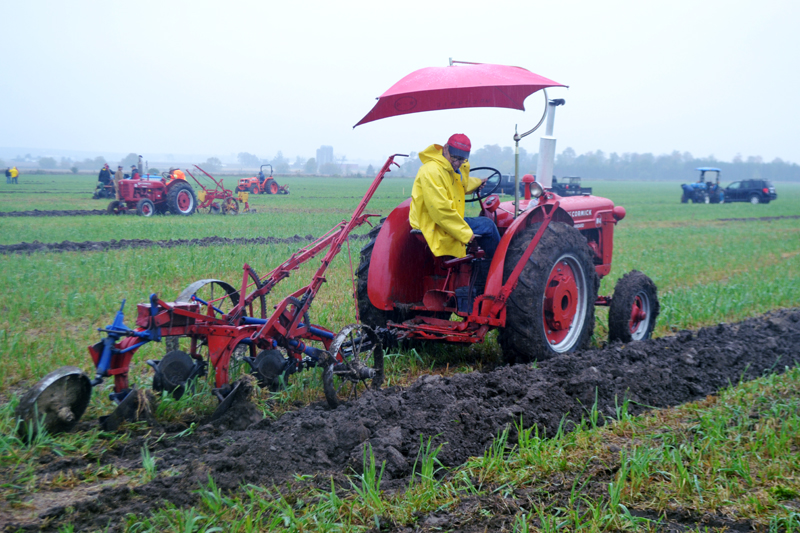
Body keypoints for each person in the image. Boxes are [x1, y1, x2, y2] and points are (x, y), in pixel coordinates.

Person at [409, 134, 500, 260]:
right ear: (446, 148)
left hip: (440, 220)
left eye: (461, 160)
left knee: (483, 225)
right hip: (433, 223)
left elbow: (458, 184)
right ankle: (500, 268)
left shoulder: (448, 168)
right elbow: (440, 210)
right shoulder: (432, 171)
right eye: (455, 158)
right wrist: (464, 232)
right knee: (488, 225)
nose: (457, 163)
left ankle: (484, 266)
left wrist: (478, 182)